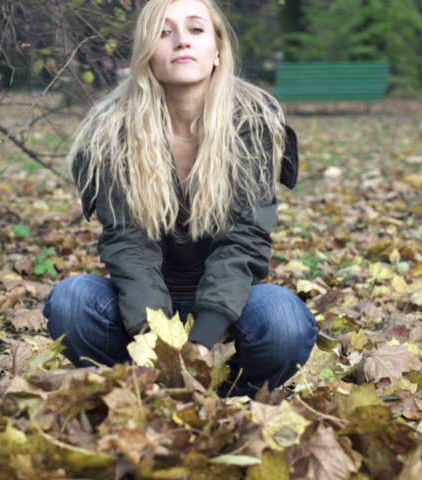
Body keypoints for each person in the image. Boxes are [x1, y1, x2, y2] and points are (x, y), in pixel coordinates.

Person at [43, 0, 317, 398]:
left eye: (195, 29)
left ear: (218, 48)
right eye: (164, 32)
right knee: (71, 301)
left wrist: (204, 340)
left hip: (230, 307)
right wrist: (158, 344)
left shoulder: (254, 123)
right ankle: (140, 390)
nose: (181, 42)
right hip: (137, 308)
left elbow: (245, 242)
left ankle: (231, 396)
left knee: (283, 320)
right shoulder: (111, 132)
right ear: (146, 53)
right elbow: (128, 246)